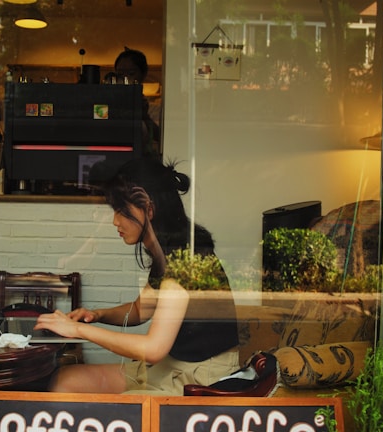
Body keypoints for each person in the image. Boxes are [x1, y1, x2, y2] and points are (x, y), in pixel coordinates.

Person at [35, 158, 240, 394]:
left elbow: (153, 349)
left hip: (202, 376)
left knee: (119, 407)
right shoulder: (166, 250)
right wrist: (97, 315)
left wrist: (79, 331)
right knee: (64, 380)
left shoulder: (186, 260)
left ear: (148, 209)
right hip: (173, 366)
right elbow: (141, 310)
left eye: (121, 211)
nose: (115, 221)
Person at [113, 48, 161, 158]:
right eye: (120, 74)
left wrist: (144, 116)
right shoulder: (108, 104)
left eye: (131, 73)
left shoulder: (154, 109)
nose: (125, 78)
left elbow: (161, 138)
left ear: (143, 74)